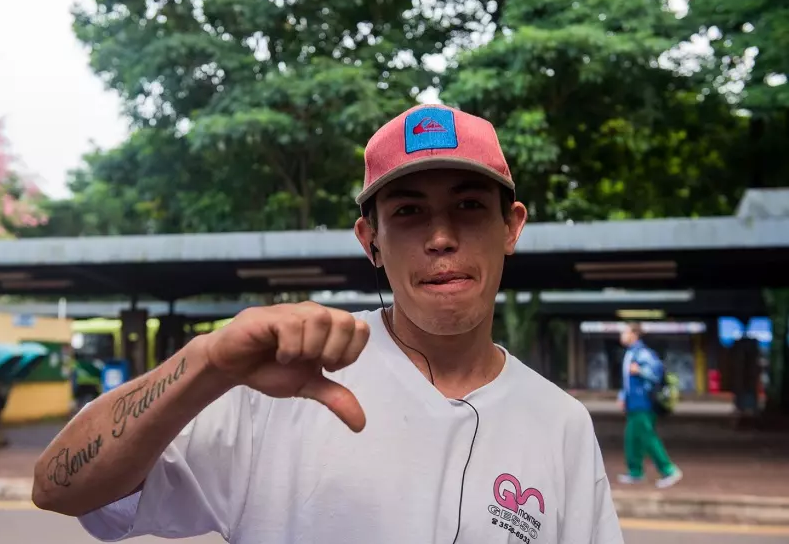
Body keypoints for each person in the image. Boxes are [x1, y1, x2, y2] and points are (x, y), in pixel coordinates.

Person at [32, 104, 623, 544]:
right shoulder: (277, 382)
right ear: (371, 241)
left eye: (469, 206)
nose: (441, 237)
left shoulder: (560, 424)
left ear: (511, 226)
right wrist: (206, 362)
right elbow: (58, 488)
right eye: (409, 211)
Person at [616, 323, 682, 489]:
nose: (622, 335)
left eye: (625, 332)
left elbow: (656, 375)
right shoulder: (631, 353)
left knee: (647, 436)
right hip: (633, 403)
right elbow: (627, 381)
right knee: (632, 438)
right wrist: (623, 397)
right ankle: (635, 471)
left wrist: (640, 371)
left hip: (644, 402)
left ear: (634, 334)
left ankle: (668, 469)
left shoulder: (643, 354)